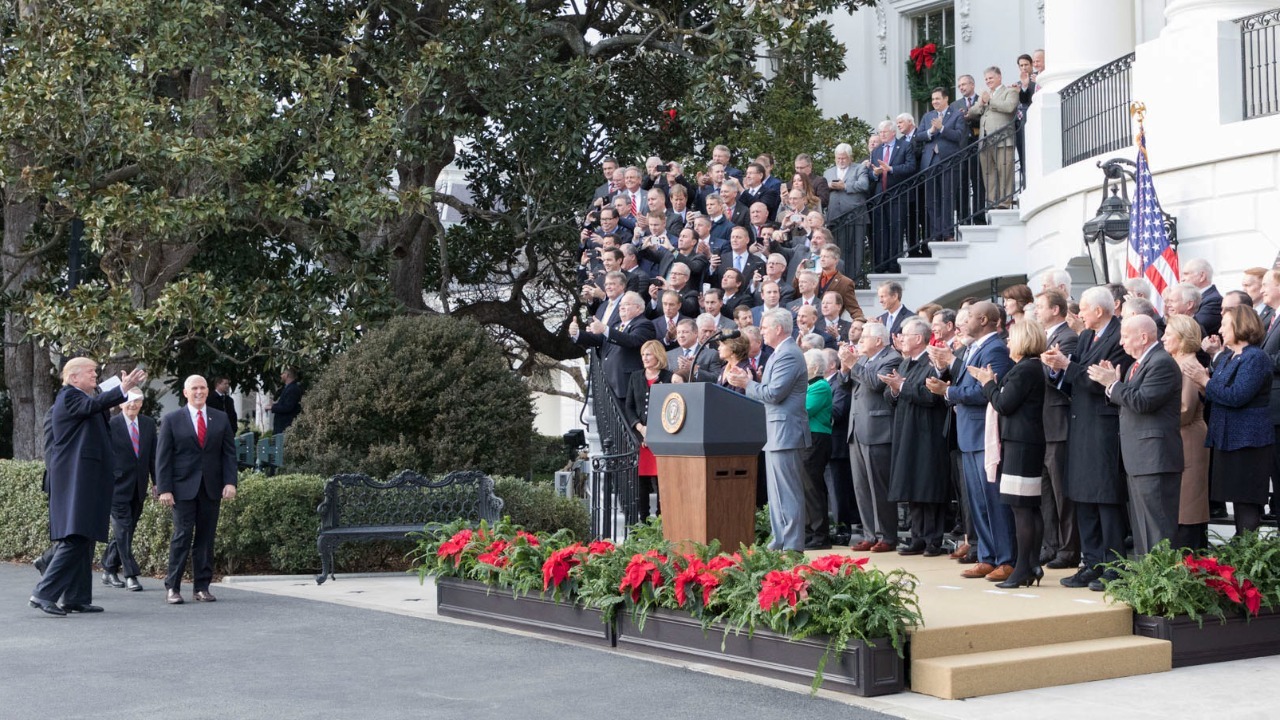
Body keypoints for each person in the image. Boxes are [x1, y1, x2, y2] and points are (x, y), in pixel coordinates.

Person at [30, 359, 146, 616]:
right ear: (73, 378)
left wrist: (117, 392)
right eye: (91, 372)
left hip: (88, 481)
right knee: (75, 537)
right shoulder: (69, 397)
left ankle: (76, 598)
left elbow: (96, 407)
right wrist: (121, 389)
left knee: (84, 538)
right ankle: (43, 593)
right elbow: (93, 405)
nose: (96, 375)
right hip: (76, 481)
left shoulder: (82, 400)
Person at [1042, 286, 1132, 589]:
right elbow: (1078, 376)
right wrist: (1058, 369)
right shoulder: (1084, 336)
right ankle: (1091, 562)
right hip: (1080, 423)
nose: (1078, 314)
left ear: (1099, 310)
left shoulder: (1119, 336)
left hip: (1104, 426)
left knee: (1105, 498)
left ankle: (1114, 564)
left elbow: (1101, 382)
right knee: (1082, 495)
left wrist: (1070, 367)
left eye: (1083, 308)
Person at [1087, 315, 1183, 571]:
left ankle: (1164, 584)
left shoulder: (1161, 363)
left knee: (1157, 525)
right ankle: (1147, 581)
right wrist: (1113, 385)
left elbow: (1143, 402)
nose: (1121, 342)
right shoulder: (1137, 364)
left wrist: (1113, 384)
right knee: (1141, 525)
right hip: (1139, 457)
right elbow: (1129, 399)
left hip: (1155, 457)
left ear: (1143, 337)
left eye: (1125, 336)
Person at [929, 301, 1015, 581]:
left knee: (994, 500)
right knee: (978, 502)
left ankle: (1006, 559)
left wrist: (949, 391)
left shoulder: (996, 349)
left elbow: (984, 392)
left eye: (970, 318)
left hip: (983, 434)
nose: (964, 323)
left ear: (985, 319)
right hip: (969, 433)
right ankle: (987, 556)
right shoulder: (975, 348)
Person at [971, 319, 1048, 588]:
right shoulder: (1028, 368)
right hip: (1025, 443)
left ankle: (1023, 568)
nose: (1007, 343)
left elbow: (1004, 403)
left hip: (1022, 444)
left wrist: (987, 383)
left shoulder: (1025, 369)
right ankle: (1032, 564)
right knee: (1028, 508)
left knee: (1022, 510)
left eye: (1011, 338)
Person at [726, 308, 811, 551]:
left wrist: (747, 383)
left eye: (764, 327)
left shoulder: (788, 354)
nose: (761, 331)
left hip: (786, 431)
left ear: (778, 329)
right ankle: (780, 540)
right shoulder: (779, 353)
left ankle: (792, 545)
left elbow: (773, 394)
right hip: (776, 431)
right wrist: (752, 381)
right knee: (776, 494)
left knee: (788, 492)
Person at [1189, 306, 1275, 534]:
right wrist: (1202, 384)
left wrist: (1205, 382)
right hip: (1229, 437)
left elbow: (1237, 396)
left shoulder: (1256, 357)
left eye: (1225, 325)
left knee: (1245, 501)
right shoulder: (1230, 356)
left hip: (1248, 440)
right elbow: (1218, 392)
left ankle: (1246, 557)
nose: (1220, 330)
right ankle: (1239, 555)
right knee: (1236, 498)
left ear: (1240, 326)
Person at [157, 375, 238, 605]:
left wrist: (230, 482)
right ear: (185, 392)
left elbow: (228, 454)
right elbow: (163, 458)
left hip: (211, 488)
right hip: (182, 489)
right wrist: (165, 488)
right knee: (182, 536)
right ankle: (173, 587)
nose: (199, 392)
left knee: (206, 538)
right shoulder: (172, 419)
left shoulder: (220, 418)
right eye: (194, 388)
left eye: (202, 388)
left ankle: (202, 587)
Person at [883, 317, 951, 556]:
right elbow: (891, 396)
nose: (900, 338)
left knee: (928, 486)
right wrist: (893, 389)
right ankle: (917, 537)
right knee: (912, 485)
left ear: (919, 338)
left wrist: (901, 387)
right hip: (906, 431)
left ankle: (933, 539)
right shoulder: (904, 363)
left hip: (927, 433)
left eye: (905, 334)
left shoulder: (931, 363)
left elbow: (931, 396)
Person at [839, 322, 901, 552]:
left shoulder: (891, 358)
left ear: (878, 340)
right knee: (861, 486)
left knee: (879, 486)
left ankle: (887, 535)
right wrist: (845, 367)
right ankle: (869, 533)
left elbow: (875, 384)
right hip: (856, 428)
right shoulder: (863, 359)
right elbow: (845, 385)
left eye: (864, 337)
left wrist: (853, 362)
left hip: (878, 429)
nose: (859, 341)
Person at [1034, 290, 1080, 568]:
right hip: (1041, 425)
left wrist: (1038, 364)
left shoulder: (1067, 337)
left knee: (1062, 492)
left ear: (1055, 309)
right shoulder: (1045, 337)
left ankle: (1069, 548)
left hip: (1058, 423)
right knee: (1046, 493)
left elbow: (1059, 378)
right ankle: (1050, 544)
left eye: (1040, 306)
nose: (1036, 311)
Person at [1161, 315, 1210, 550]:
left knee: (1189, 507)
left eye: (1168, 334)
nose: (1162, 338)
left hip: (1188, 438)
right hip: (1180, 438)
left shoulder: (1188, 365)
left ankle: (1191, 565)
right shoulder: (1177, 363)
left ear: (1181, 339)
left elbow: (1185, 409)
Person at [101, 390, 157, 592]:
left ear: (142, 403)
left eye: (137, 401)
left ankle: (108, 568)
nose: (133, 405)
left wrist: (156, 482)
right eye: (129, 401)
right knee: (123, 529)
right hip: (116, 486)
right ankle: (131, 574)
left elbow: (152, 456)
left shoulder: (148, 424)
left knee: (126, 531)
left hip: (139, 486)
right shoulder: (111, 424)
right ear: (121, 404)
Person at [571, 291, 657, 402]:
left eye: (626, 304)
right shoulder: (616, 325)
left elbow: (631, 341)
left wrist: (604, 329)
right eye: (620, 305)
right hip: (611, 382)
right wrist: (576, 333)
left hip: (627, 384)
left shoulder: (644, 324)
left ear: (638, 308)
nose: (621, 307)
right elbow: (599, 339)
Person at [624, 340, 673, 519]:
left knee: (661, 480)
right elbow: (629, 406)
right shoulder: (635, 377)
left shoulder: (668, 377)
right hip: (640, 436)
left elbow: (671, 407)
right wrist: (640, 427)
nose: (644, 358)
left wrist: (653, 431)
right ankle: (643, 519)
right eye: (643, 354)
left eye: (648, 354)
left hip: (661, 435)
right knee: (641, 481)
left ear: (658, 355)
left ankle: (661, 519)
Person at [914, 86, 967, 242]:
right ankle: (936, 233)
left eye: (937, 98)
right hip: (930, 162)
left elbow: (958, 136)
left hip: (949, 161)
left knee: (947, 198)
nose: (934, 102)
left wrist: (942, 128)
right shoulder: (927, 116)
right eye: (933, 99)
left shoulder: (957, 115)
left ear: (946, 99)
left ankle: (948, 233)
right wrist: (931, 131)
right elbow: (918, 136)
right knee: (932, 200)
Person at [966, 66, 1018, 208]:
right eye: (986, 79)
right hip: (985, 140)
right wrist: (982, 103)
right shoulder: (986, 95)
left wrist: (990, 101)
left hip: (1003, 139)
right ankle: (991, 202)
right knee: (988, 173)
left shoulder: (1010, 91)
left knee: (1005, 171)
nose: (988, 81)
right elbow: (971, 113)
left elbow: (1009, 107)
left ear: (999, 77)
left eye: (991, 78)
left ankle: (1005, 202)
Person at [267, 368, 303, 434]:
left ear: (287, 375)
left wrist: (272, 408)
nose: (281, 376)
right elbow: (285, 404)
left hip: (285, 428)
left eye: (283, 373)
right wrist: (274, 405)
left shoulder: (292, 389)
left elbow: (287, 407)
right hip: (283, 428)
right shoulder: (289, 388)